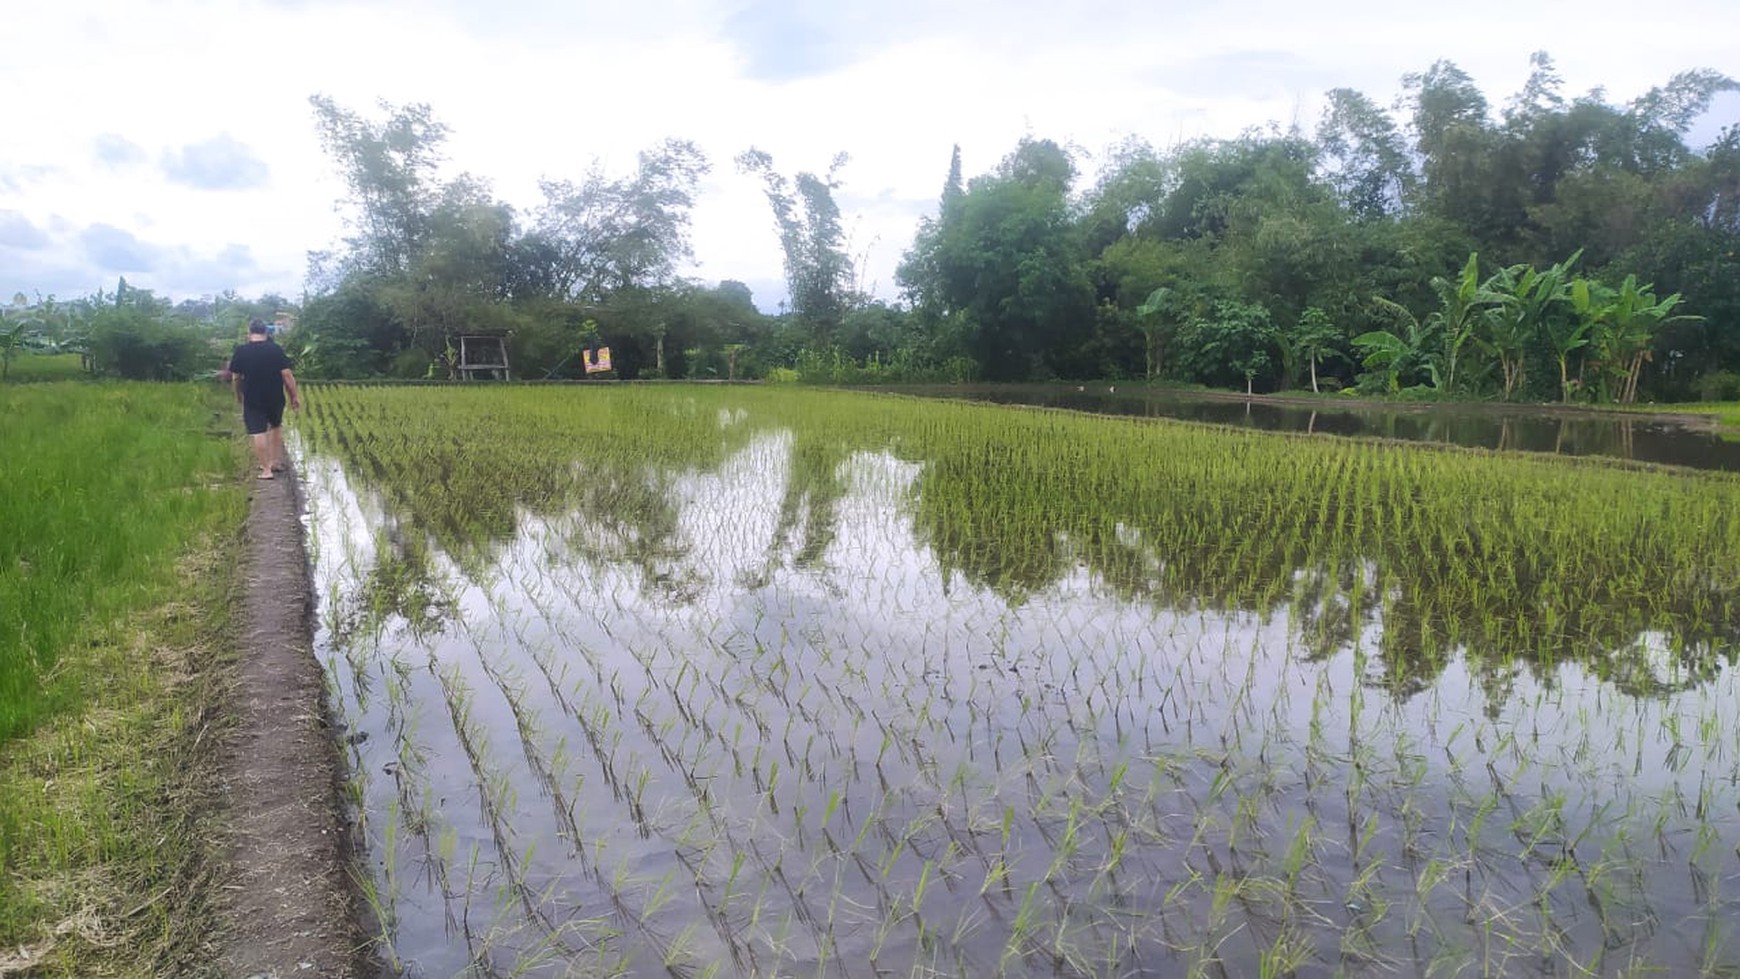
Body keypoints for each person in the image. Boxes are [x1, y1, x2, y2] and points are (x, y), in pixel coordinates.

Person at [227, 318, 301, 480]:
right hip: (275, 396)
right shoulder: (275, 349)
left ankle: (266, 470)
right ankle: (274, 462)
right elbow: (287, 375)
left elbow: (236, 378)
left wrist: (238, 395)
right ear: (266, 333)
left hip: (252, 397)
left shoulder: (241, 351)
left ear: (249, 333)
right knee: (275, 427)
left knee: (258, 431)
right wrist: (294, 396)